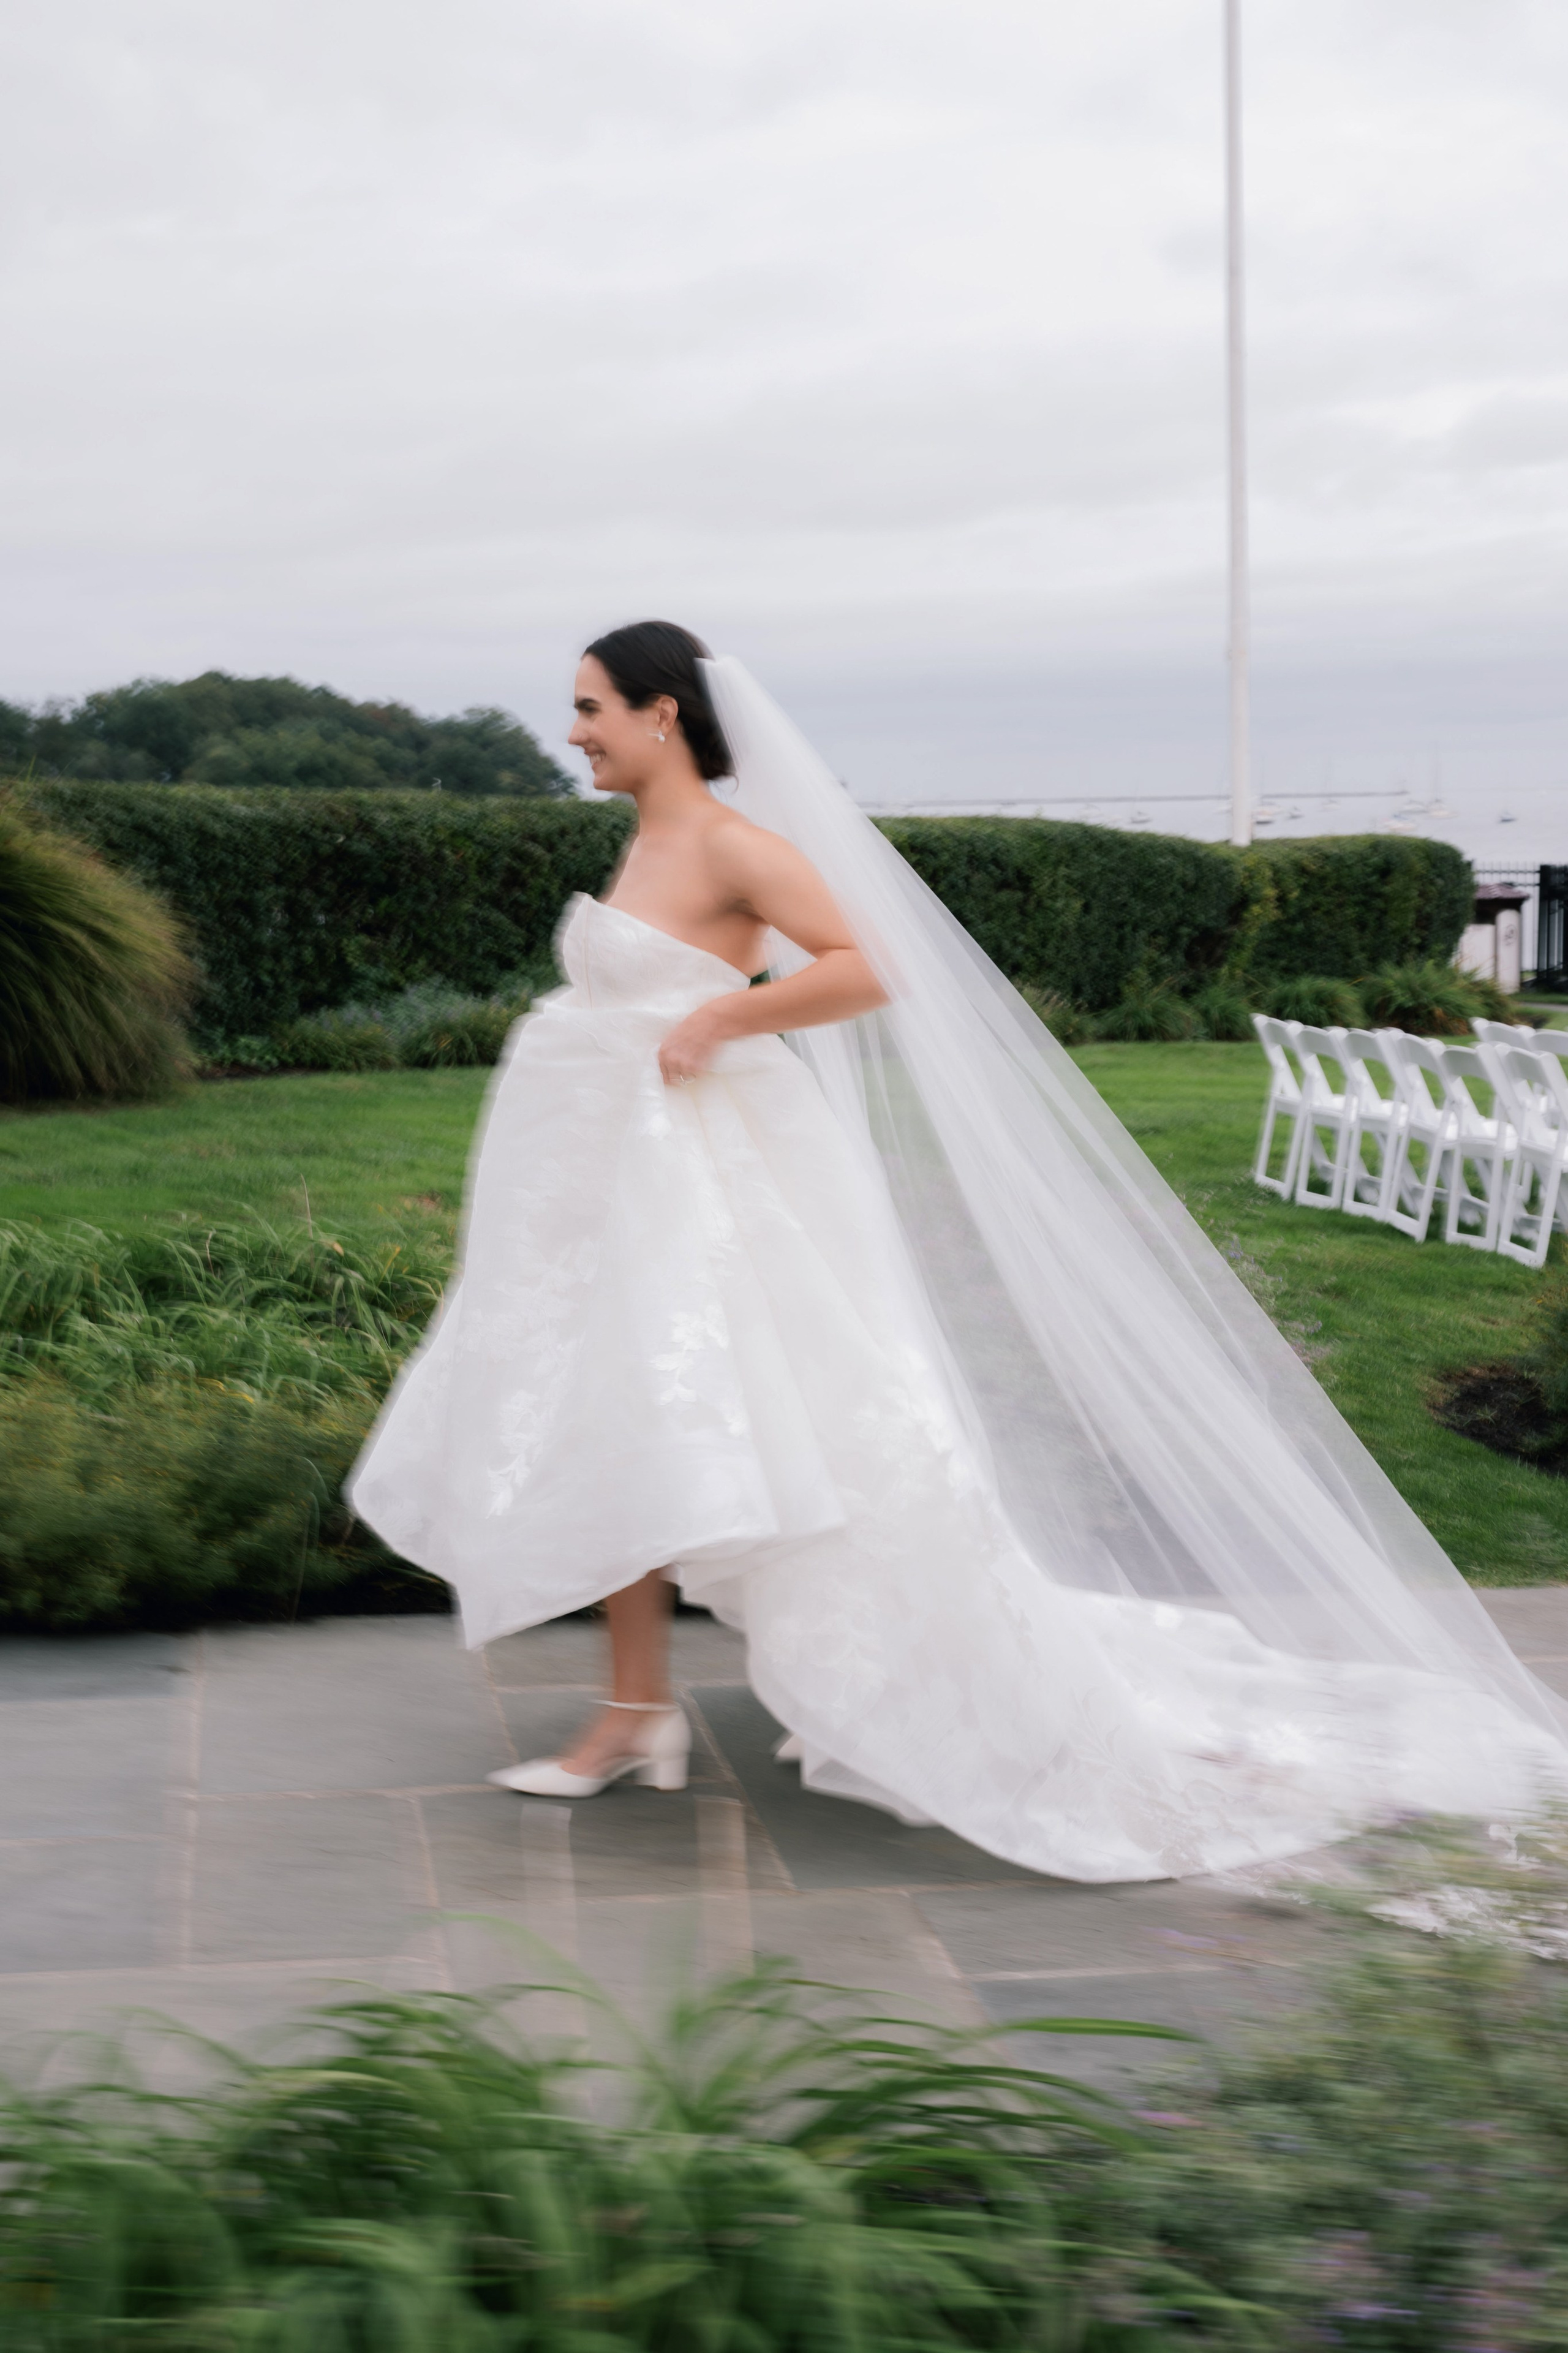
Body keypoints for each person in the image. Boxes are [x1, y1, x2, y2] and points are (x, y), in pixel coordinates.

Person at [350, 622, 1568, 1881]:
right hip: (629, 1184)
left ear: (662, 714)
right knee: (634, 1426)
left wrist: (725, 1009)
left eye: (591, 706)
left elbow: (869, 965)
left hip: (709, 1196)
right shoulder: (650, 837)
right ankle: (637, 1703)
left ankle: (794, 1686)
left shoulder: (727, 842)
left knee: (727, 1425)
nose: (573, 730)